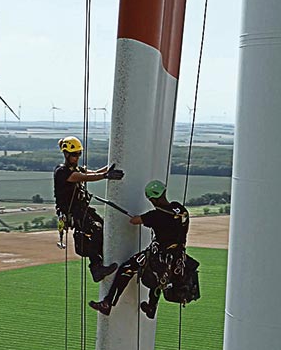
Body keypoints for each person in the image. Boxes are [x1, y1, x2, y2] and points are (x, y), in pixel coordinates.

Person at [89, 179, 190, 318]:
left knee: (127, 269)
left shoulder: (155, 216)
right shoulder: (179, 208)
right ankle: (151, 306)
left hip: (160, 254)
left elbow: (134, 220)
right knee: (161, 277)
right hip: (178, 258)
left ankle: (107, 302)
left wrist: (143, 218)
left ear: (152, 200)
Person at [54, 136, 123, 282]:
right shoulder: (62, 172)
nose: (77, 157)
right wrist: (105, 175)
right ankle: (96, 267)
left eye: (79, 153)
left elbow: (92, 173)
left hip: (82, 208)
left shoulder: (75, 168)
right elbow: (84, 177)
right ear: (66, 154)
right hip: (72, 211)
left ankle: (103, 256)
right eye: (74, 154)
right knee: (95, 230)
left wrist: (113, 165)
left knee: (104, 226)